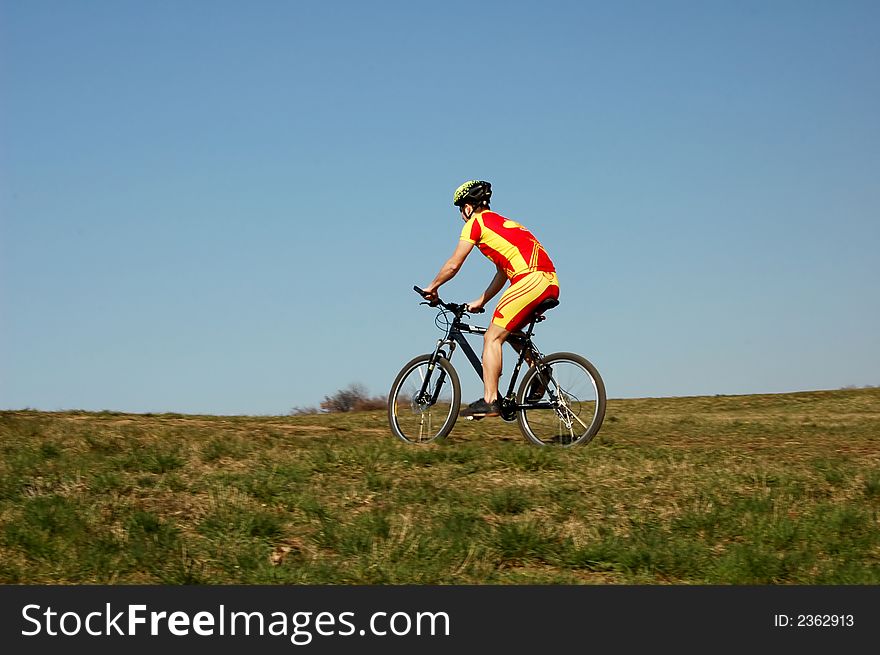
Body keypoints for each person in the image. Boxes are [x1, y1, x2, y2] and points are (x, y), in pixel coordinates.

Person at [421, 180, 559, 418]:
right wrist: (481, 301)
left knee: (491, 337)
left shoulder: (476, 223)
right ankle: (538, 370)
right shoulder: (503, 223)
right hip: (548, 282)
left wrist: (433, 287)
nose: (461, 215)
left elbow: (454, 264)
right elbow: (503, 273)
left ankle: (490, 400)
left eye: (460, 209)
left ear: (468, 206)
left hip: (529, 279)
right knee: (510, 331)